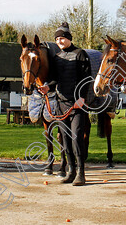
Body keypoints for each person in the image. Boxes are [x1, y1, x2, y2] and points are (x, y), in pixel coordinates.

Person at [37, 22, 92, 186]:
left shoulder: (80, 54)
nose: (60, 41)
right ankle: (71, 171)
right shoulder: (57, 57)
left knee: (76, 138)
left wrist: (81, 98)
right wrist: (48, 87)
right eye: (57, 38)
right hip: (61, 104)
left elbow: (87, 78)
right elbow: (55, 79)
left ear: (69, 38)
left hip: (77, 104)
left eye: (62, 38)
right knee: (65, 140)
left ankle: (81, 173)